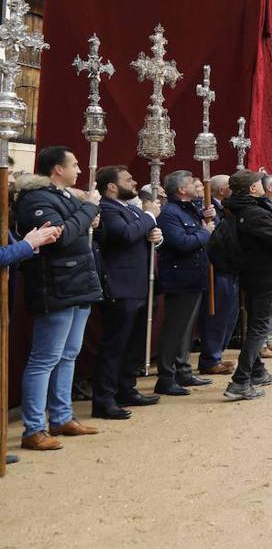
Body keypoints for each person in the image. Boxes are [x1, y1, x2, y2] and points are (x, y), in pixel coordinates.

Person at [15, 146, 96, 451]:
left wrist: (86, 216)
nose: (79, 170)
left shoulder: (62, 197)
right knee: (44, 359)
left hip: (77, 283)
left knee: (68, 354)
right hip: (55, 285)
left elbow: (73, 229)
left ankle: (61, 416)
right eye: (74, 164)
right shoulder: (36, 200)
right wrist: (89, 210)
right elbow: (58, 238)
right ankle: (33, 427)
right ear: (57, 170)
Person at [223, 169, 272, 400]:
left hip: (254, 274)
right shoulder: (253, 213)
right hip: (264, 276)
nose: (263, 186)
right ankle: (240, 382)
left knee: (256, 326)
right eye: (259, 183)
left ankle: (256, 371)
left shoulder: (248, 208)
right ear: (252, 189)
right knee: (260, 328)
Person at [92, 165, 162, 420]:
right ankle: (104, 399)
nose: (134, 182)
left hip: (139, 284)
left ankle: (126, 388)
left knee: (133, 342)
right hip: (120, 285)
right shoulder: (107, 209)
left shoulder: (131, 209)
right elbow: (124, 235)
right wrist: (150, 217)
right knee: (115, 344)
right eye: (128, 179)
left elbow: (142, 234)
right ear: (112, 186)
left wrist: (155, 234)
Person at [154, 169, 215, 396]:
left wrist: (204, 218)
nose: (196, 185)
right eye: (191, 182)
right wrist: (205, 233)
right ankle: (166, 376)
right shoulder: (170, 213)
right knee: (175, 329)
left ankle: (183, 370)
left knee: (187, 329)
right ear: (181, 189)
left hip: (193, 276)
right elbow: (181, 242)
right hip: (180, 278)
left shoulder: (188, 210)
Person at [197, 174, 240, 376]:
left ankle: (217, 355)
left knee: (229, 315)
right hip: (216, 267)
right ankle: (210, 358)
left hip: (230, 267)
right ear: (222, 190)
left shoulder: (225, 208)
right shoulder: (206, 209)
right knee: (216, 316)